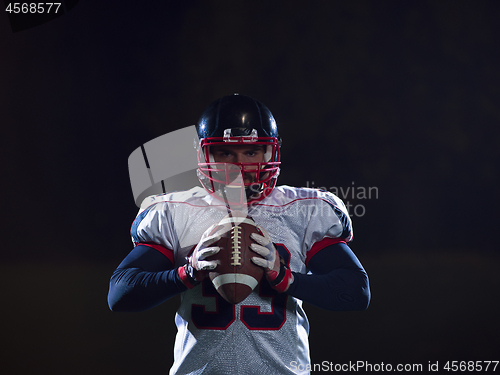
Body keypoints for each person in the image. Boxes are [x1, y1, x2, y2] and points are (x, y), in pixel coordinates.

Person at [108, 94, 371, 375]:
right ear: (203, 155)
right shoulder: (176, 212)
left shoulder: (303, 211)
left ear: (270, 153)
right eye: (225, 153)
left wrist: (287, 279)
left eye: (251, 152)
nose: (239, 166)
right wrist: (186, 273)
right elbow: (120, 294)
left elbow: (356, 292)